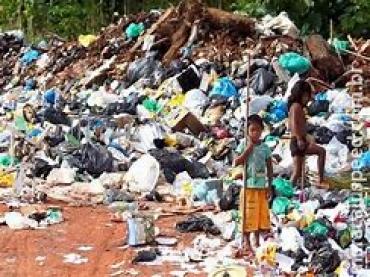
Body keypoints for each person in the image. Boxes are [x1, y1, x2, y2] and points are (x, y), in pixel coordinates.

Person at [234, 114, 273, 255]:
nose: (255, 133)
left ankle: (256, 240)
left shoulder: (265, 148)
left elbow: (270, 167)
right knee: (247, 214)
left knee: (259, 214)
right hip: (248, 185)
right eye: (252, 130)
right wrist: (248, 150)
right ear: (247, 131)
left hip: (261, 186)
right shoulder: (244, 145)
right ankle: (246, 241)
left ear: (262, 130)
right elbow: (236, 162)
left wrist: (270, 185)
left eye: (258, 130)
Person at [288, 80, 329, 189]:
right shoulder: (296, 106)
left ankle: (289, 190)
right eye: (306, 95)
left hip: (300, 140)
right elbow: (293, 124)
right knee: (297, 171)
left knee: (298, 171)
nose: (307, 98)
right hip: (297, 141)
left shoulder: (298, 107)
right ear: (300, 94)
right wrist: (299, 139)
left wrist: (306, 137)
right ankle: (320, 179)